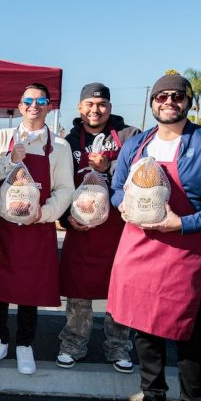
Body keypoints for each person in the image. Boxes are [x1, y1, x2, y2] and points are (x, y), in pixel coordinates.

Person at [109, 73, 201, 401]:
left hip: (185, 251)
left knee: (189, 332)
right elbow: (115, 189)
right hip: (138, 246)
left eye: (176, 96)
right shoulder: (137, 145)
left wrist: (184, 223)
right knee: (142, 328)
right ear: (152, 102)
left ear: (189, 101)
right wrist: (121, 205)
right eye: (161, 96)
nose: (168, 101)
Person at [0, 83, 74, 375]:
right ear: (20, 106)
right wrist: (11, 160)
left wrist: (43, 214)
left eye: (41, 100)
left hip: (37, 228)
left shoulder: (59, 146)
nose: (34, 105)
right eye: (28, 100)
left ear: (48, 106)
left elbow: (64, 189)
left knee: (30, 290)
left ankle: (24, 344)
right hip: (3, 227)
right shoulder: (2, 138)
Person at [56, 83, 139, 373]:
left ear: (110, 108)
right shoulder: (68, 141)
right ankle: (73, 343)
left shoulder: (130, 137)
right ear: (80, 108)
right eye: (89, 104)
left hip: (119, 232)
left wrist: (108, 170)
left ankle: (118, 347)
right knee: (79, 292)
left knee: (121, 290)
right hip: (82, 231)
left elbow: (141, 178)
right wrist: (67, 218)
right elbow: (60, 185)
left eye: (101, 104)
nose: (95, 109)